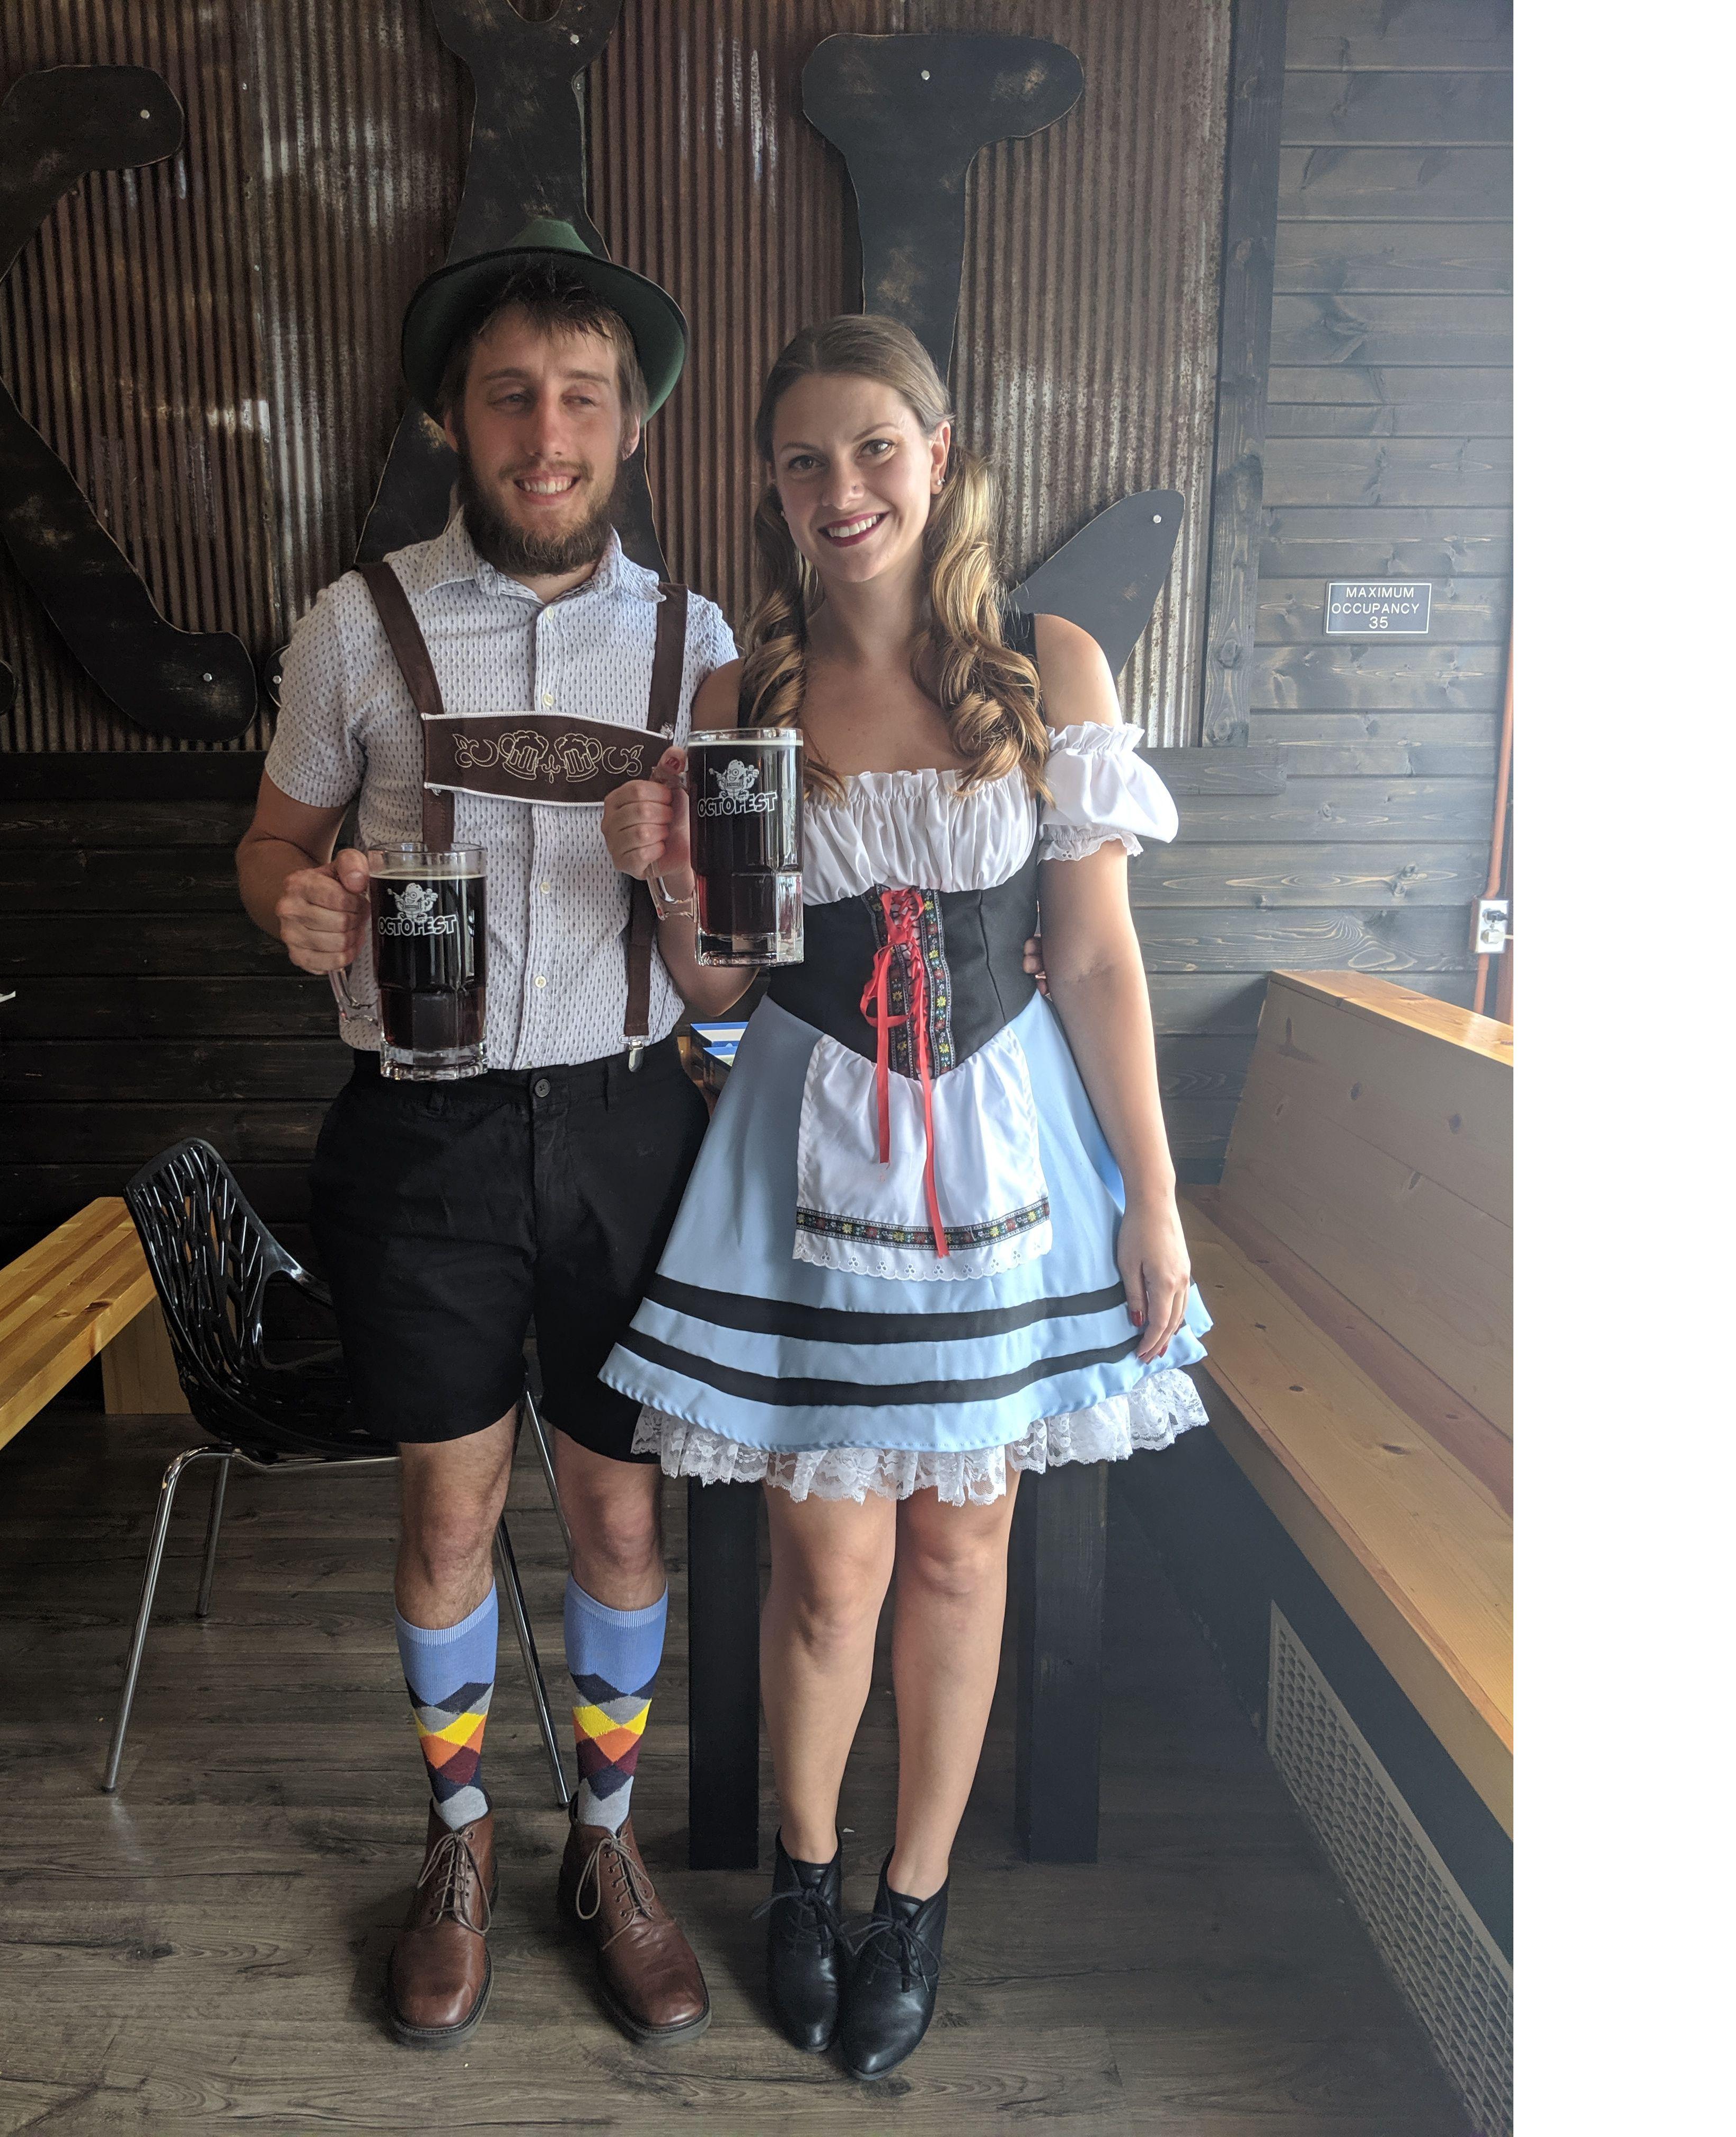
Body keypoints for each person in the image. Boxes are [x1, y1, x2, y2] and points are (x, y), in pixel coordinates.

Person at [597, 315, 1213, 2081]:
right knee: (827, 1562)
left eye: (875, 447)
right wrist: (663, 882)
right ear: (773, 486)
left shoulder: (1050, 662)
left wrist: (1154, 1197)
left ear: (940, 457)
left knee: (962, 1542)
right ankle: (804, 1879)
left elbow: (1094, 959)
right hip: (808, 1143)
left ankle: (915, 1896)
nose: (842, 487)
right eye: (805, 458)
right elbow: (720, 987)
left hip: (1007, 1151)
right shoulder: (742, 699)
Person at [236, 219, 744, 2052]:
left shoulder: (696, 648)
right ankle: (458, 1833)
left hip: (629, 1126)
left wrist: (676, 879)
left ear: (631, 428)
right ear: (454, 418)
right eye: (513, 395)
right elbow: (272, 848)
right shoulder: (352, 626)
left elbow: (725, 966)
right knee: (449, 1516)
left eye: (583, 398)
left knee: (618, 1513)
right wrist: (298, 907)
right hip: (423, 1137)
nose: (548, 433)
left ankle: (603, 1839)